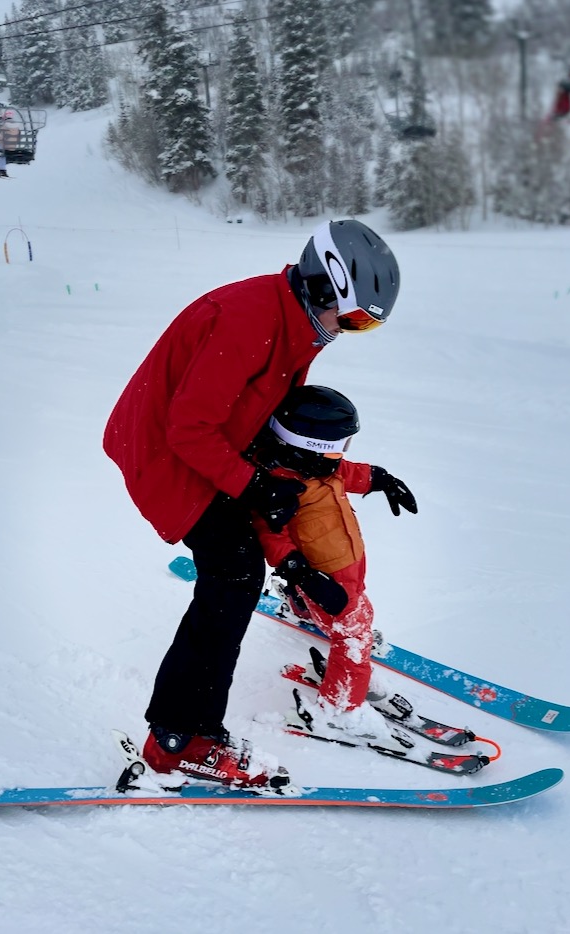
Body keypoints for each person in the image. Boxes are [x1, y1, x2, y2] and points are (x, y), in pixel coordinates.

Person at [103, 219, 401, 790]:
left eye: (366, 325)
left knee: (273, 523)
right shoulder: (248, 320)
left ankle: (299, 595)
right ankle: (179, 741)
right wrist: (252, 485)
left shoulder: (297, 324)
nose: (351, 331)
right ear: (324, 284)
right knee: (233, 575)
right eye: (356, 317)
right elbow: (187, 429)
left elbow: (266, 417)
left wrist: (349, 473)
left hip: (210, 445)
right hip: (166, 457)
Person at [249, 384, 417, 743]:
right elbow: (270, 535)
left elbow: (350, 472)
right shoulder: (278, 487)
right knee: (353, 637)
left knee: (343, 606)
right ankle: (341, 710)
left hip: (345, 566)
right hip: (327, 577)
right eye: (340, 444)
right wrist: (302, 574)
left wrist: (381, 478)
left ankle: (303, 607)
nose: (344, 453)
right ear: (311, 444)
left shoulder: (324, 468)